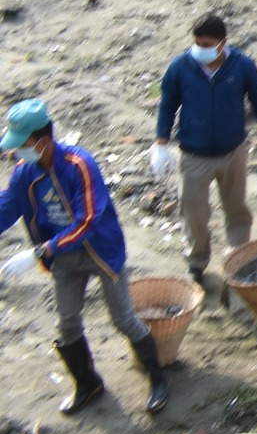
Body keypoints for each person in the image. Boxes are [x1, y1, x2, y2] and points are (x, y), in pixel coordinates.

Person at [0, 99, 170, 415]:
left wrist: (42, 250)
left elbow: (88, 220)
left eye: (20, 145)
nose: (14, 153)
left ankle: (158, 379)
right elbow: (7, 206)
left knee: (123, 318)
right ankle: (88, 383)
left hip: (100, 251)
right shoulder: (24, 173)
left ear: (42, 140)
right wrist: (48, 250)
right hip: (64, 258)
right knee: (66, 323)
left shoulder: (80, 165)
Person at [152, 10, 257, 284]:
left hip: (233, 151)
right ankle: (197, 260)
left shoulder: (242, 66)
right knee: (193, 211)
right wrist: (160, 143)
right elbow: (167, 105)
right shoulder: (180, 67)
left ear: (223, 43)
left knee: (236, 208)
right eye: (197, 44)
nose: (201, 50)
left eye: (207, 46)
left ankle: (238, 257)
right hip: (194, 154)